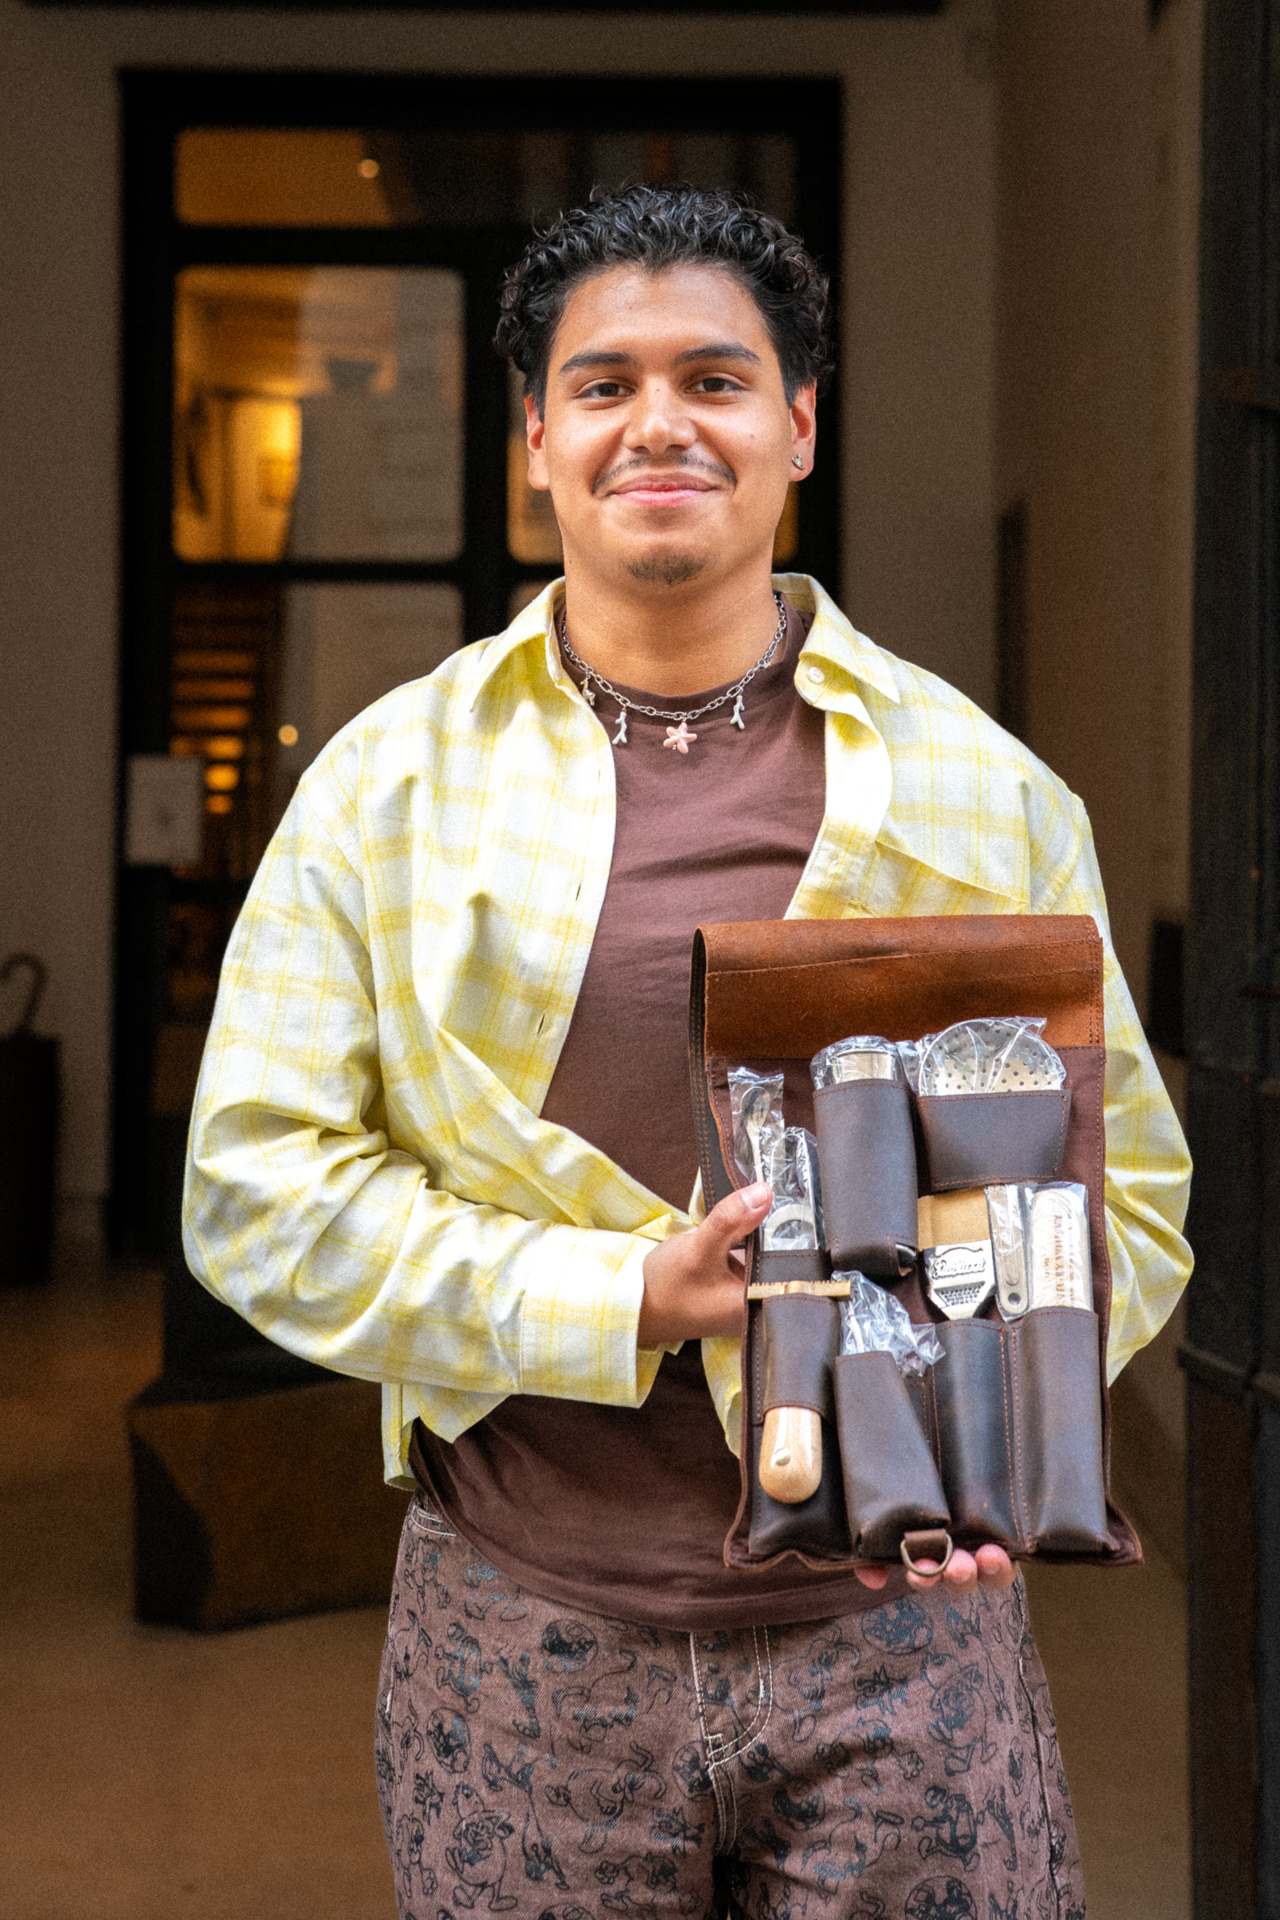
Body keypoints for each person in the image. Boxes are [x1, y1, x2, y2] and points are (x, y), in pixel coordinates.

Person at [184, 185, 1192, 1918]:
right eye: (605, 385)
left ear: (799, 427)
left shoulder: (986, 788)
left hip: (903, 1642)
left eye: (715, 380)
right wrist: (624, 1297)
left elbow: (1135, 1202)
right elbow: (254, 1192)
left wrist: (995, 1431)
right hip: (521, 1626)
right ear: (537, 442)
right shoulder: (383, 789)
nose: (659, 422)